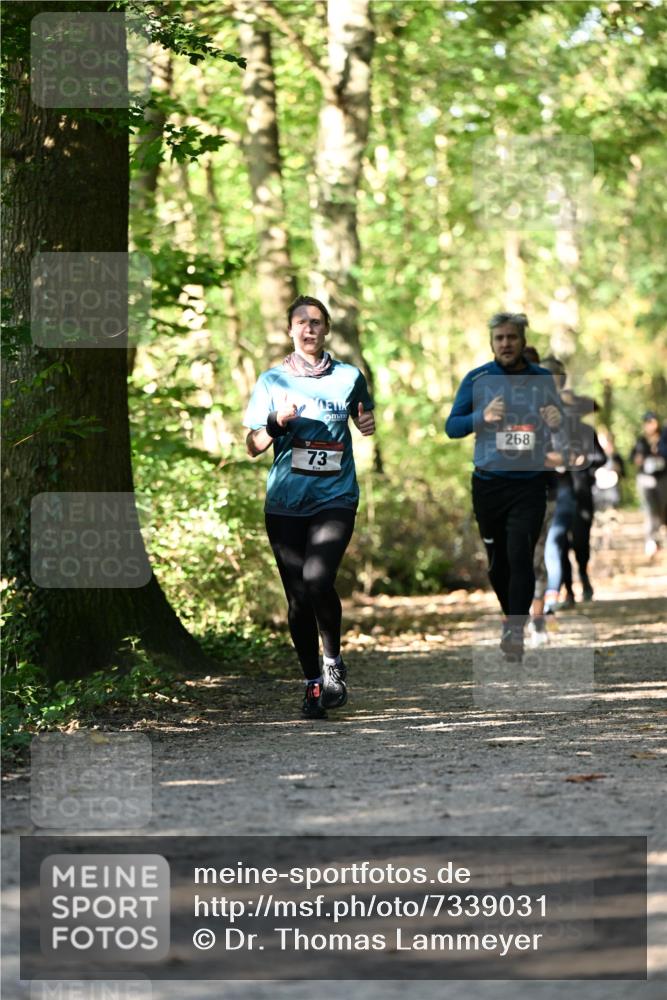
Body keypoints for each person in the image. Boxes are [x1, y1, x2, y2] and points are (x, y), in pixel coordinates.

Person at [244, 295, 375, 718]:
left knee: (318, 579)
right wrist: (274, 424)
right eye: (301, 322)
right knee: (298, 598)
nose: (309, 329)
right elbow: (251, 446)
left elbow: (362, 417)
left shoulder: (350, 376)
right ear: (290, 330)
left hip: (335, 497)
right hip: (285, 503)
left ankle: (333, 663)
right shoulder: (271, 381)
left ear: (326, 329)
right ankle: (313, 683)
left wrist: (367, 424)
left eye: (316, 322)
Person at [445, 313, 562, 661]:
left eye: (512, 337)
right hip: (488, 485)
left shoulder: (543, 379)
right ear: (492, 342)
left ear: (523, 340)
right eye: (500, 338)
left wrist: (557, 421)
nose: (506, 344)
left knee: (519, 553)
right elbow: (452, 427)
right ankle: (511, 616)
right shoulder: (477, 379)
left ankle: (514, 628)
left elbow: (561, 428)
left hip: (529, 483)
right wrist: (482, 417)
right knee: (498, 564)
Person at [542, 358, 604, 611]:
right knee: (559, 542)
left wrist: (584, 461)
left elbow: (601, 457)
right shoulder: (544, 420)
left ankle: (584, 579)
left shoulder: (586, 431)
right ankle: (566, 590)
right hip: (556, 489)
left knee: (580, 541)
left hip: (581, 491)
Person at [630, 411, 667, 558]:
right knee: (650, 510)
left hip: (662, 478)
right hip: (645, 478)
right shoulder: (641, 440)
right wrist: (638, 459)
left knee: (661, 509)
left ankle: (658, 538)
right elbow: (632, 456)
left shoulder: (664, 438)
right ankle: (651, 540)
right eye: (647, 422)